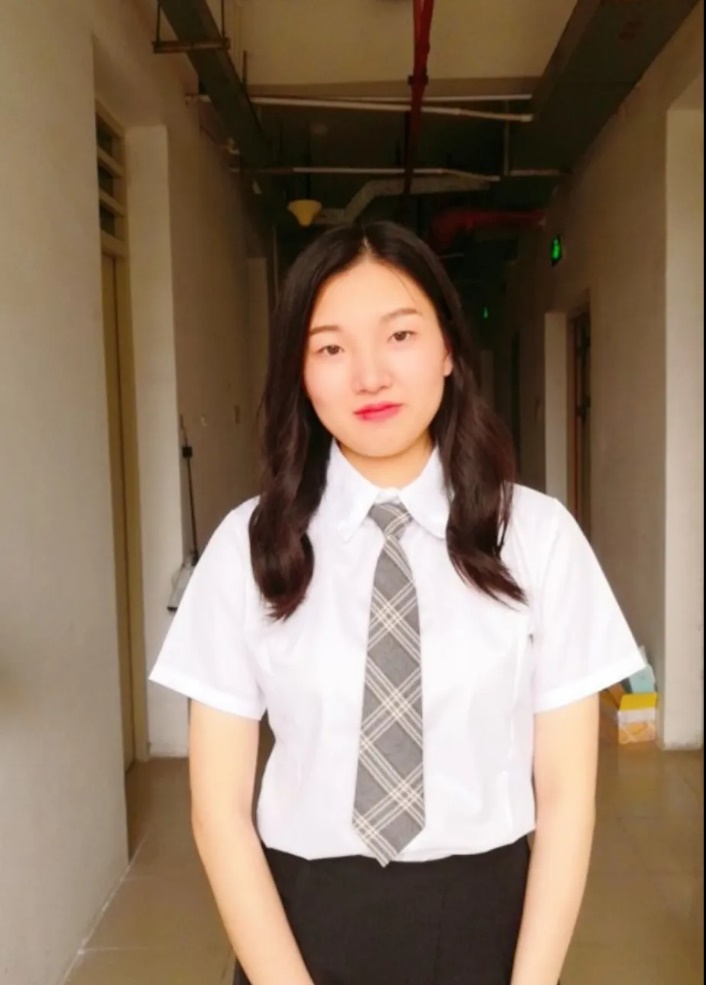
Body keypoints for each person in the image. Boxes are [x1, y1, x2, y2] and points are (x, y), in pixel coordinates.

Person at [149, 220, 645, 985]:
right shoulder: (250, 545)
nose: (370, 375)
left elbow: (568, 798)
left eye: (401, 335)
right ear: (299, 372)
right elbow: (217, 811)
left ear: (448, 349)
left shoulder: (538, 538)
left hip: (489, 922)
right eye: (330, 348)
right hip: (300, 926)